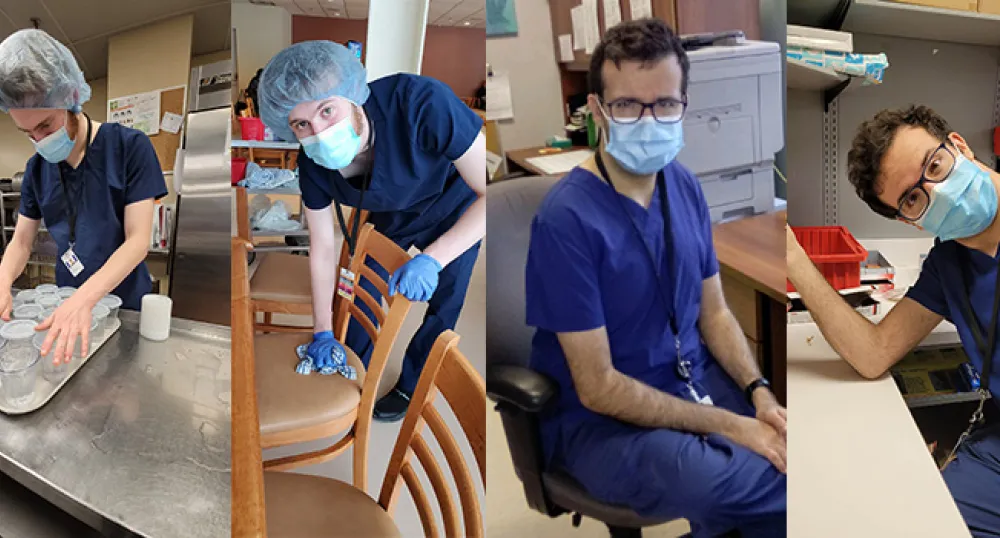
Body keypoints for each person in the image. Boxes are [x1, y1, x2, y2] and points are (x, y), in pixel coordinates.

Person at [524, 19, 786, 537]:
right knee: (771, 483)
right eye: (627, 105)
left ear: (684, 103)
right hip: (604, 425)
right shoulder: (565, 220)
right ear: (598, 110)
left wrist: (758, 391)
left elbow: (714, 312)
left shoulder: (683, 185)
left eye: (665, 103)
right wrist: (732, 425)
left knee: (790, 453)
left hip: (692, 383)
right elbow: (598, 388)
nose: (649, 119)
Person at [787, 104, 1000, 537]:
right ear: (912, 222)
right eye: (913, 198)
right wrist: (791, 256)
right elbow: (873, 354)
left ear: (958, 146)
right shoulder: (948, 265)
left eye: (934, 165)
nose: (937, 192)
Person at [258, 41, 485, 421]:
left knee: (446, 302)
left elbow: (489, 193)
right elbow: (323, 248)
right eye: (302, 124)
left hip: (456, 206)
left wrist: (434, 258)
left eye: (327, 110)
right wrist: (322, 331)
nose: (319, 132)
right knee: (361, 290)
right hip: (390, 214)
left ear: (352, 96)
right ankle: (351, 371)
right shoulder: (313, 164)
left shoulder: (421, 104)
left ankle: (412, 383)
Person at [0, 30, 166, 364]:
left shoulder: (129, 148)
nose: (39, 140)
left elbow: (137, 242)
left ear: (72, 97)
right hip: (66, 297)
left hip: (123, 303)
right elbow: (21, 243)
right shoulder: (36, 169)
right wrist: (2, 281)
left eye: (46, 126)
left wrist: (86, 299)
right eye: (28, 133)